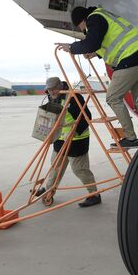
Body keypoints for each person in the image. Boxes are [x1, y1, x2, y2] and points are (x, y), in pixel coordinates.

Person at [57, 6, 138, 148]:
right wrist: (96, 54)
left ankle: (131, 138)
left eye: (80, 27)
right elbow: (111, 40)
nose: (83, 31)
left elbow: (92, 42)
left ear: (82, 20)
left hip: (131, 58)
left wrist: (72, 48)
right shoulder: (104, 15)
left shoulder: (94, 18)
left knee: (112, 98)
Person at [35, 77, 101, 207]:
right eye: (49, 90)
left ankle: (94, 194)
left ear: (61, 86)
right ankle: (49, 190)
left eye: (54, 89)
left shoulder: (73, 97)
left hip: (76, 139)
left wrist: (74, 132)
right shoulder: (52, 98)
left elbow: (86, 117)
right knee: (55, 166)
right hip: (60, 139)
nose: (51, 92)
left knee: (80, 170)